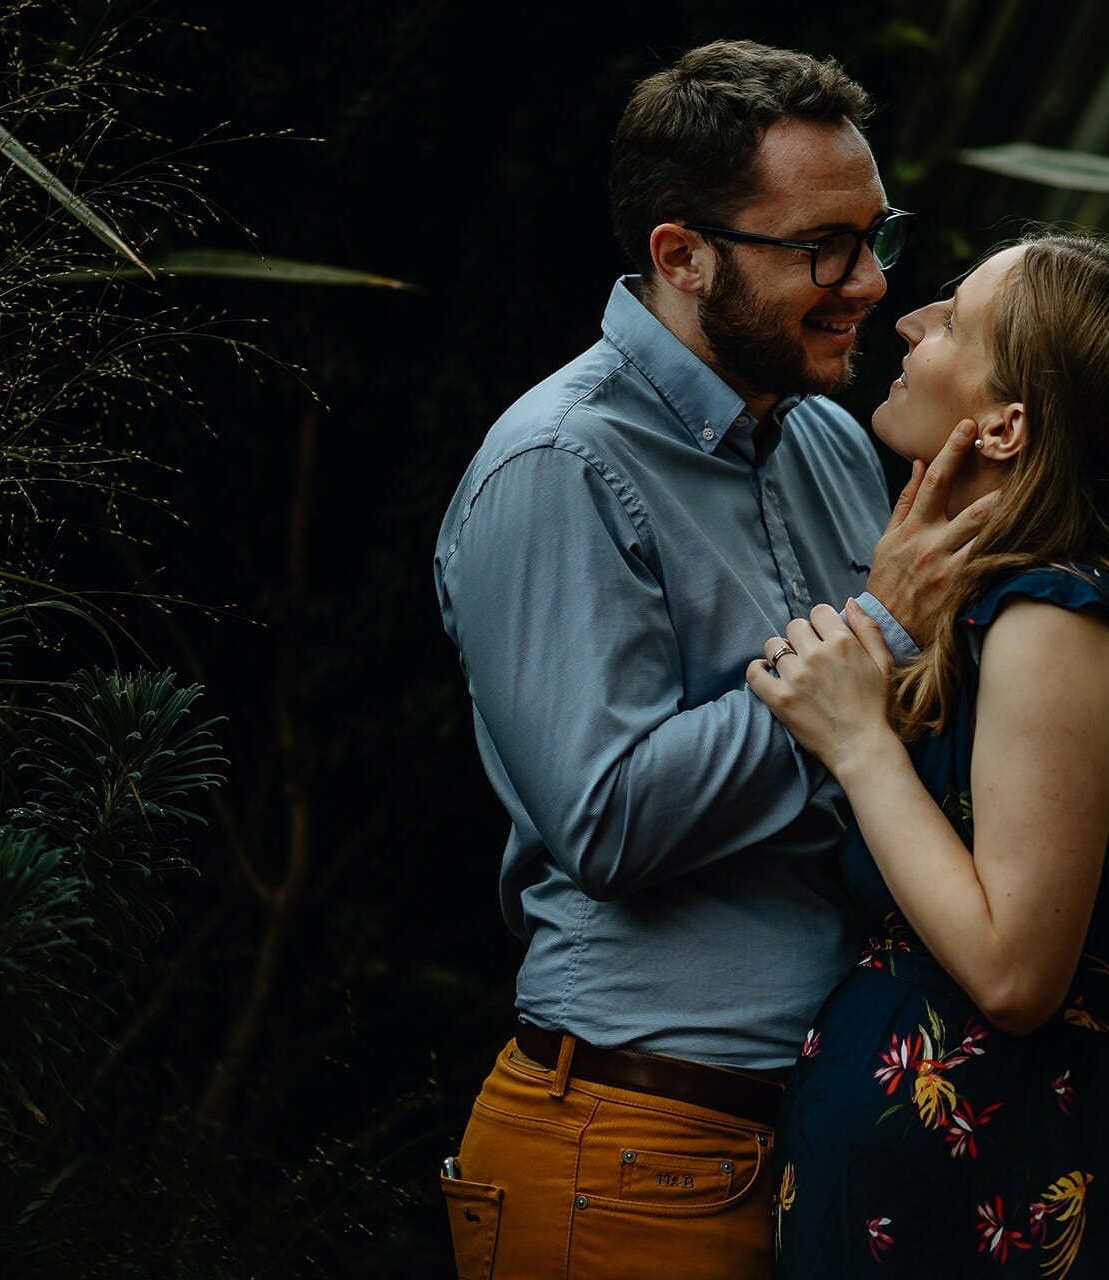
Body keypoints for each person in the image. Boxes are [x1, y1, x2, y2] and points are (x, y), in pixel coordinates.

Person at [431, 40, 991, 1280]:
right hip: (637, 1147)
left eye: (875, 233)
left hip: (828, 1140)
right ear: (681, 255)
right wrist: (883, 630)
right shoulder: (558, 468)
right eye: (821, 249)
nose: (867, 284)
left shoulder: (831, 438)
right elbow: (610, 820)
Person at [750, 233, 1109, 1278]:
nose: (906, 321)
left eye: (949, 321)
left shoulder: (1055, 619)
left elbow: (1015, 970)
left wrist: (860, 742)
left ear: (1007, 424)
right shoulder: (1005, 610)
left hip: (1032, 1199)